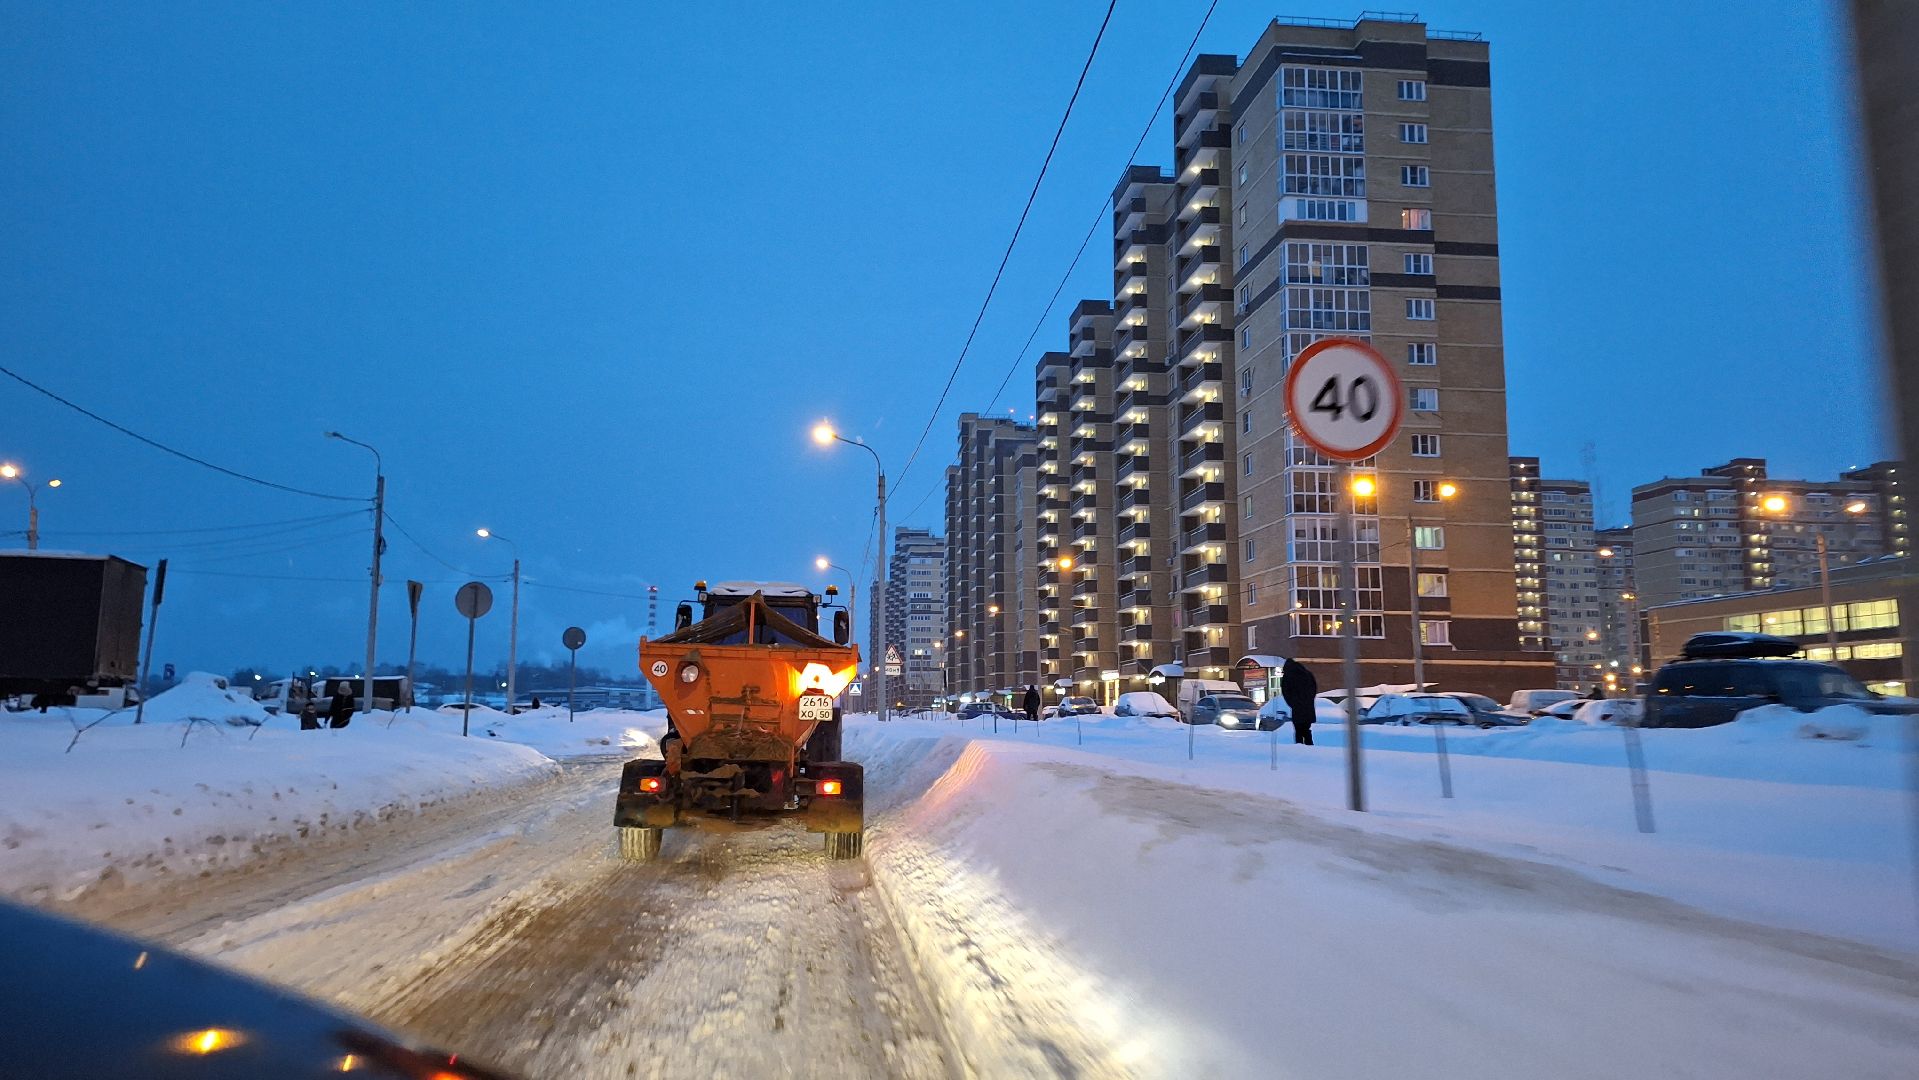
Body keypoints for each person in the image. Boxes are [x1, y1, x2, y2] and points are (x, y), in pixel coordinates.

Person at [1279, 658, 1318, 745]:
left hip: (1297, 708)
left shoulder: (1288, 676)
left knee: (1298, 731)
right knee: (1306, 730)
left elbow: (1285, 692)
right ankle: (1310, 747)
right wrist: (1309, 700)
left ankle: (1299, 748)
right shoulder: (1307, 674)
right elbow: (1314, 689)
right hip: (1308, 708)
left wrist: (1292, 703)